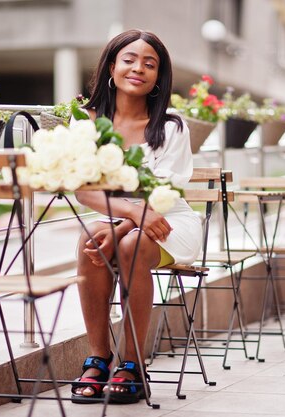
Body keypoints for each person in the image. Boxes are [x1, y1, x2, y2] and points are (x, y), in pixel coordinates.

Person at [71, 29, 201, 404]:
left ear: (159, 77)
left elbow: (165, 193)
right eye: (129, 59)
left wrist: (132, 221)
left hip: (169, 221)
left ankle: (133, 365)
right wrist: (129, 211)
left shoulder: (171, 126)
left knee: (130, 243)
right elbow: (84, 190)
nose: (138, 68)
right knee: (90, 238)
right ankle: (97, 358)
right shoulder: (87, 121)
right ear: (112, 66)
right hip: (123, 217)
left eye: (150, 63)